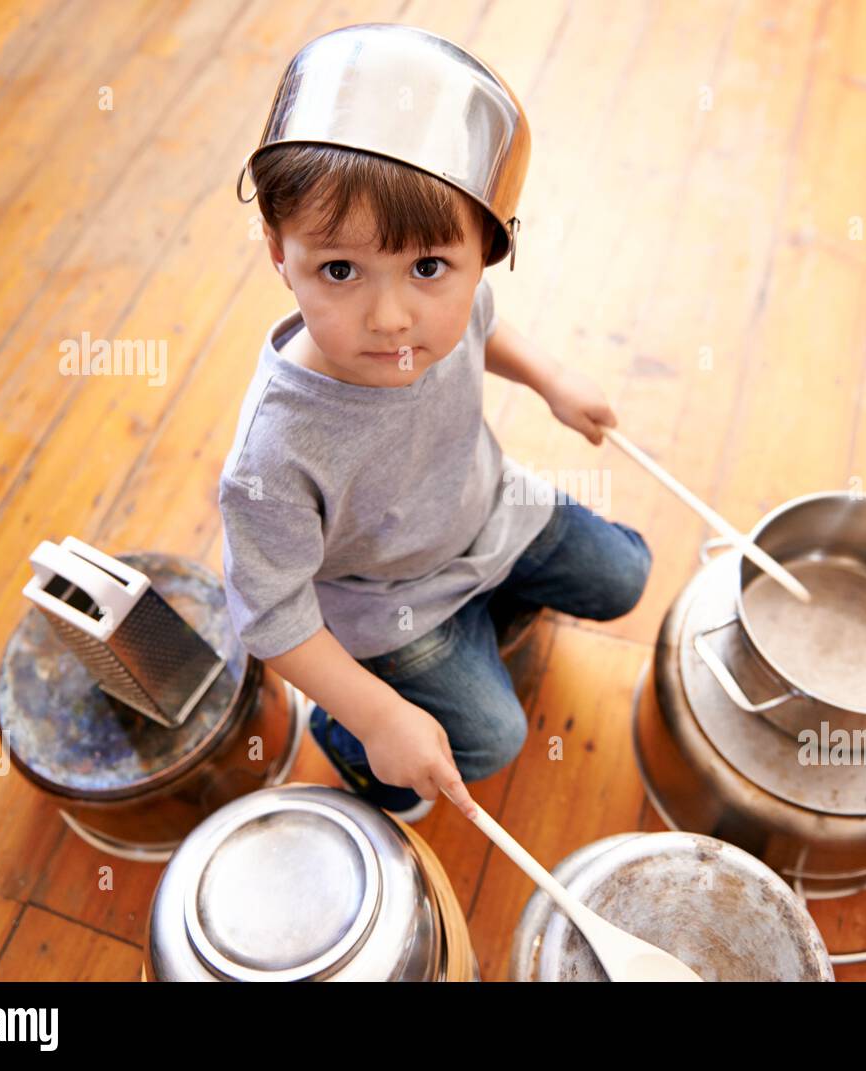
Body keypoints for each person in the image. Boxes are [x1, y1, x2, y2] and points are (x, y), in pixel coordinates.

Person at [218, 27, 651, 824]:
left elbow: (483, 324)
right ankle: (350, 741)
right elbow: (270, 613)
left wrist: (553, 380)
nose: (390, 318)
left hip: (488, 509)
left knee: (627, 575)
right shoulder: (273, 454)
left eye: (427, 268)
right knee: (490, 740)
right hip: (391, 598)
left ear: (484, 251)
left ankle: (483, 617)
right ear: (279, 253)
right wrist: (381, 718)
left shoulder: (451, 308)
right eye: (339, 270)